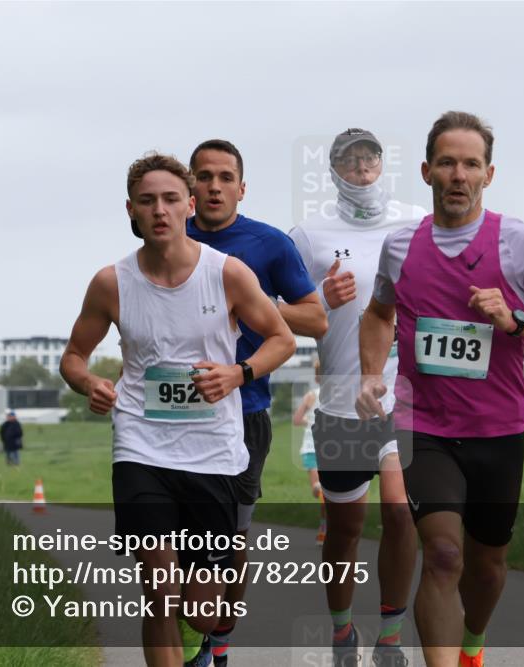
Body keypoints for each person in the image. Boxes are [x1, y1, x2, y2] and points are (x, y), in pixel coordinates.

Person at [356, 111, 524, 667]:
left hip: (498, 430)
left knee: (486, 567)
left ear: (489, 174)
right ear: (426, 171)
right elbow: (377, 313)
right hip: (424, 426)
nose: (458, 174)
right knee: (441, 554)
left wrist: (516, 317)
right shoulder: (399, 247)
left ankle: (473, 645)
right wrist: (371, 375)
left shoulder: (519, 242)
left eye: (470, 164)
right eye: (446, 163)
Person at [59, 152, 295, 667]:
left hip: (213, 451)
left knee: (202, 609)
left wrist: (239, 372)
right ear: (132, 210)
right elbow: (73, 358)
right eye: (148, 201)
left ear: (189, 205)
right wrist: (90, 383)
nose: (159, 210)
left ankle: (212, 633)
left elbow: (282, 338)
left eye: (170, 199)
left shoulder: (228, 274)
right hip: (141, 445)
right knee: (161, 592)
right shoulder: (110, 283)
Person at [184, 138, 327, 667]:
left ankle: (216, 645)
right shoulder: (166, 238)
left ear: (242, 187)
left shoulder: (268, 244)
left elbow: (315, 319)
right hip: (170, 413)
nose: (214, 186)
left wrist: (256, 305)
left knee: (231, 537)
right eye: (204, 176)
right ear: (189, 185)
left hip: (243, 411)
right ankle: (180, 630)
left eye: (225, 177)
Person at [289, 128, 427, 666]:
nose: (362, 170)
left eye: (370, 159)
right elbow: (271, 311)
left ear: (382, 164)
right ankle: (343, 631)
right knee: (344, 529)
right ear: (334, 173)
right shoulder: (308, 235)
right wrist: (319, 299)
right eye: (350, 162)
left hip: (403, 396)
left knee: (399, 511)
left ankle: (391, 637)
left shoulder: (416, 222)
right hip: (342, 399)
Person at [292, 359, 326, 545]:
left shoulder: (311, 396)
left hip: (311, 448)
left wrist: (308, 421)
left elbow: (296, 420)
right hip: (324, 449)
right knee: (323, 491)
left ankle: (324, 527)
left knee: (319, 491)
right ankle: (324, 526)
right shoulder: (336, 397)